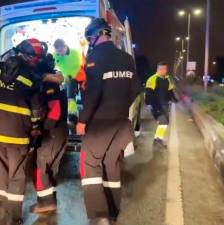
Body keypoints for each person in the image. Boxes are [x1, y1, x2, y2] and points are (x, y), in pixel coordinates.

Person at [76, 18, 142, 225]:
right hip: (121, 123)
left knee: (90, 164)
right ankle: (113, 211)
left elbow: (93, 93)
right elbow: (135, 90)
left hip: (100, 124)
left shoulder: (95, 57)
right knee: (111, 164)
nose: (89, 43)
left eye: (89, 39)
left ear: (95, 36)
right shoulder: (126, 58)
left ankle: (99, 217)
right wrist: (119, 107)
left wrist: (82, 120)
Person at [0, 39, 45, 225]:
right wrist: (34, 127)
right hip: (16, 135)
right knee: (16, 174)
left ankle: (6, 208)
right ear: (29, 57)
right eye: (35, 57)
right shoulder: (32, 76)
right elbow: (36, 110)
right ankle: (13, 218)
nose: (36, 61)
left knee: (1, 169)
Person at [31, 62, 68, 214]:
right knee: (50, 168)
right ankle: (50, 197)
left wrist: (42, 129)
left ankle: (46, 202)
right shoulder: (57, 87)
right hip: (59, 132)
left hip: (52, 133)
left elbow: (55, 111)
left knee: (41, 166)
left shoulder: (49, 89)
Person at [145, 61, 178, 148]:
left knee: (164, 123)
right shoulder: (152, 79)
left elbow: (170, 91)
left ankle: (157, 140)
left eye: (164, 69)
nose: (163, 70)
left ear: (166, 69)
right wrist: (149, 105)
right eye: (161, 68)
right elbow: (148, 93)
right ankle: (157, 141)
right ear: (157, 69)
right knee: (163, 122)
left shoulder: (168, 79)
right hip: (156, 105)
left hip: (165, 105)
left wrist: (175, 99)